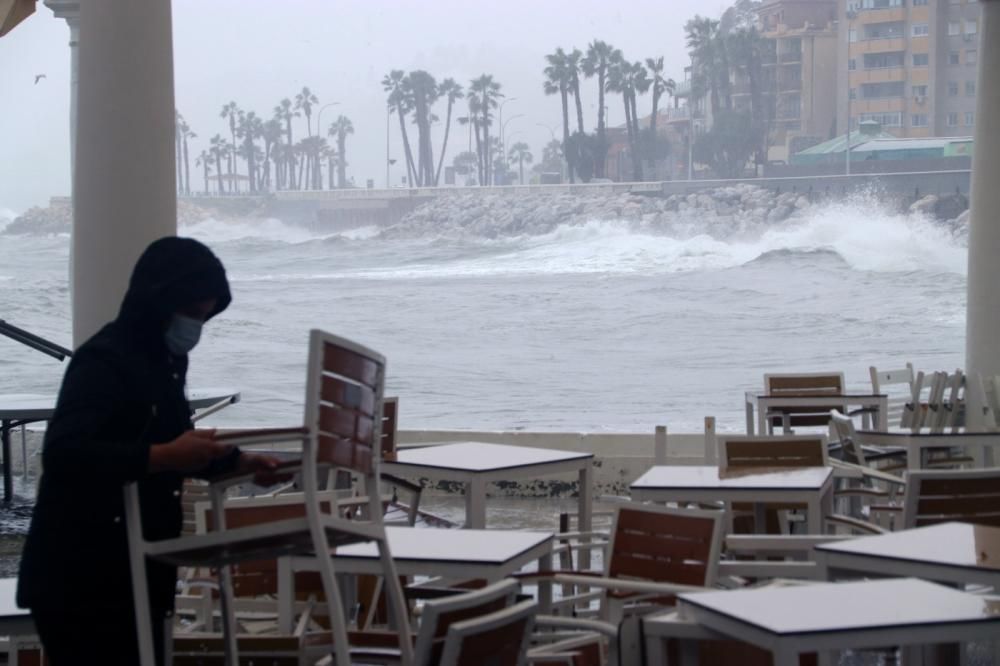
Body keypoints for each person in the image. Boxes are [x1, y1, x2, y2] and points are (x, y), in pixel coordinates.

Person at [17, 236, 281, 665]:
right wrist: (160, 457)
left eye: (204, 317)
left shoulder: (164, 364)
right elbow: (65, 454)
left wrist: (242, 464)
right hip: (82, 578)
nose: (195, 328)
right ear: (157, 303)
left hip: (137, 575)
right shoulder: (104, 360)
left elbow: (179, 444)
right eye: (190, 314)